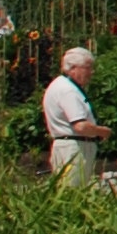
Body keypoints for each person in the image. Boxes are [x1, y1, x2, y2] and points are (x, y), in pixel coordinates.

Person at [42, 47, 104, 185]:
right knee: (74, 192)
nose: (91, 72)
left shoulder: (62, 86)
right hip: (74, 148)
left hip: (69, 145)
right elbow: (80, 126)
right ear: (74, 68)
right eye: (88, 67)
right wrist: (102, 131)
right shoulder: (68, 91)